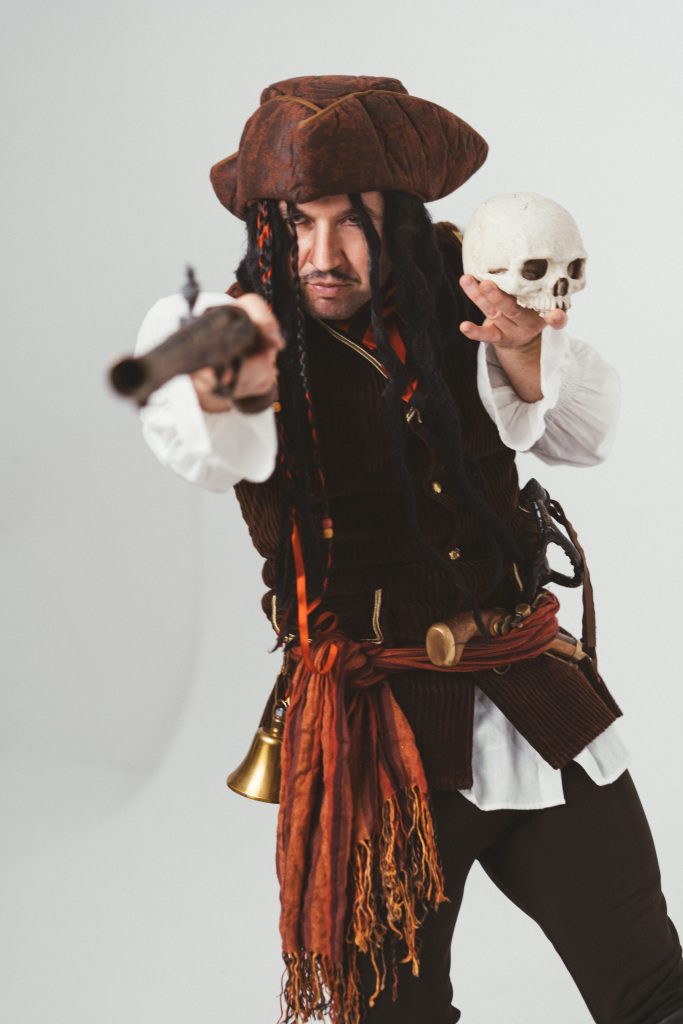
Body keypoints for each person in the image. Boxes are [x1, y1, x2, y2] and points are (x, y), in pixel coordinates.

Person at [135, 76, 683, 1024]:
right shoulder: (246, 335)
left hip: (532, 699)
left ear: (398, 215)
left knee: (652, 989)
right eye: (297, 225)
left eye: (350, 222)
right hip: (375, 739)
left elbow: (581, 438)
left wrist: (523, 353)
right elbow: (205, 446)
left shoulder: (466, 290)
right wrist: (226, 387)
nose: (321, 256)